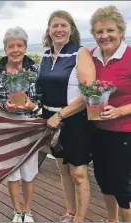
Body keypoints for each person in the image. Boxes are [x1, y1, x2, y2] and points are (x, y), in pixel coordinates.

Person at [36, 10, 96, 222]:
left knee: (78, 173)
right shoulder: (45, 55)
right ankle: (70, 212)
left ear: (71, 29)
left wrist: (61, 114)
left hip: (74, 120)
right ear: (49, 30)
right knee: (63, 170)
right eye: (55, 25)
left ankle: (79, 218)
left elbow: (88, 94)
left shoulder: (81, 53)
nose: (59, 29)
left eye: (63, 25)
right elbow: (40, 89)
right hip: (50, 121)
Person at [89, 5, 131, 222]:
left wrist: (120, 111)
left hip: (124, 131)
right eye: (99, 31)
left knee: (123, 185)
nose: (105, 36)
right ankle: (112, 220)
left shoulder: (130, 56)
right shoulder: (91, 57)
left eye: (110, 30)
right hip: (98, 129)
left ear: (121, 32)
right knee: (103, 179)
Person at [0, 27, 41, 222]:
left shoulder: (35, 69)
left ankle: (28, 211)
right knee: (13, 173)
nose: (15, 49)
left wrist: (34, 104)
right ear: (5, 49)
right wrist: (3, 106)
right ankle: (16, 211)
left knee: (29, 172)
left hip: (30, 126)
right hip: (7, 127)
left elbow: (42, 96)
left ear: (25, 47)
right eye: (11, 46)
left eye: (19, 45)